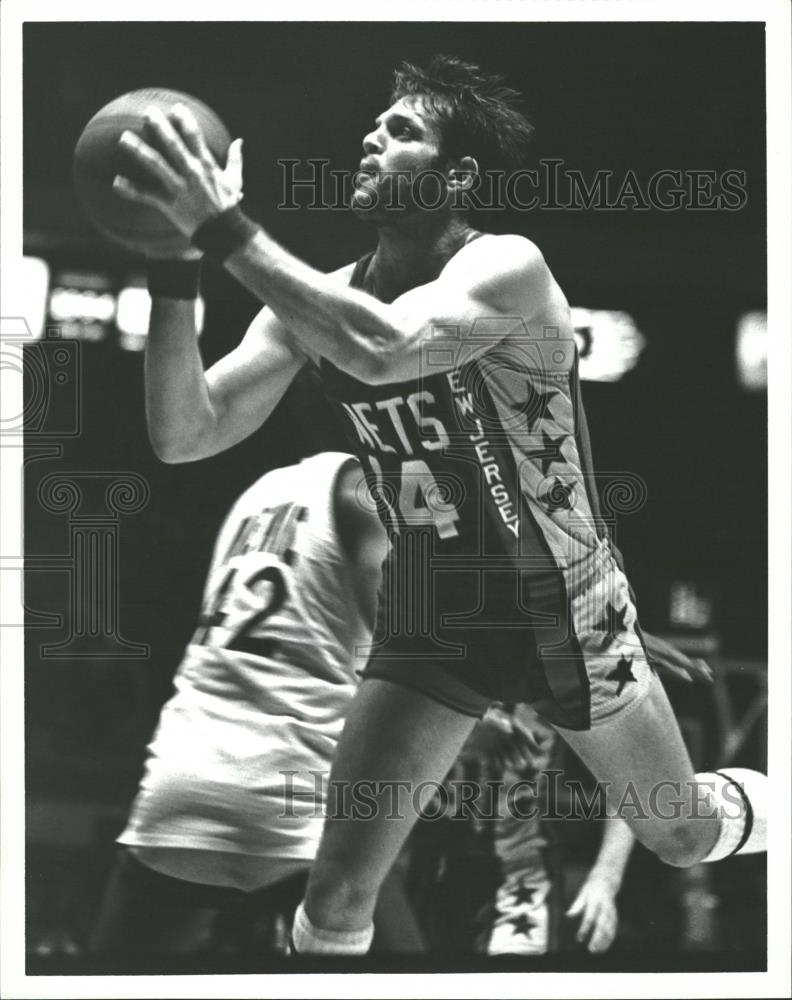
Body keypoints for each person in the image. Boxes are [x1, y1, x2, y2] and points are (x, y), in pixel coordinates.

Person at [114, 54, 766, 955]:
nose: (372, 138)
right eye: (374, 126)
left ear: (457, 176)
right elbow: (184, 432)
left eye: (402, 131)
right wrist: (175, 269)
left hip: (564, 605)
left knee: (679, 832)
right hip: (433, 610)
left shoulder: (507, 268)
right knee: (339, 895)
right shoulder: (318, 303)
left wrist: (224, 228)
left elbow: (384, 349)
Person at [89, 451, 423, 956]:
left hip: (182, 778)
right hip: (297, 793)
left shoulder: (262, 489)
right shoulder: (370, 490)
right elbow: (411, 655)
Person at [408, 702, 636, 956]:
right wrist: (463, 729)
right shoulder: (426, 664)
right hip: (427, 865)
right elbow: (365, 714)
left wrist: (606, 879)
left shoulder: (568, 674)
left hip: (522, 871)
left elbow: (630, 774)